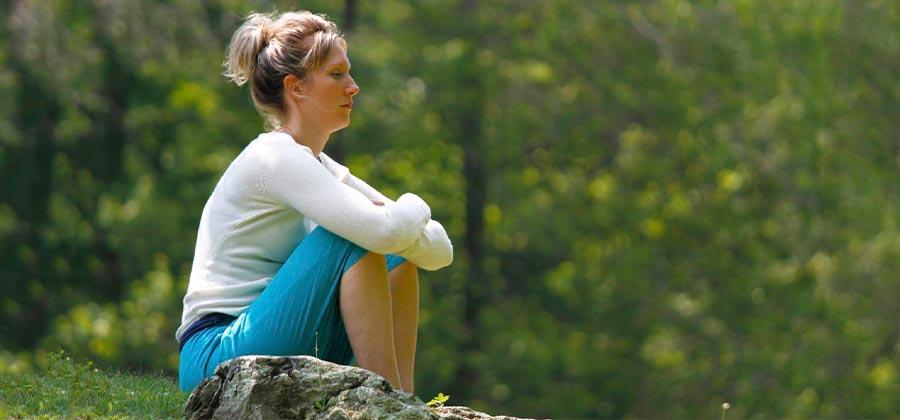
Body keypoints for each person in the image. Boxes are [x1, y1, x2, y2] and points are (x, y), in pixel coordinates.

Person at [175, 10, 452, 395]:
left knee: (397, 258)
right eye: (337, 74)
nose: (353, 87)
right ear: (297, 87)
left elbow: (440, 251)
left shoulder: (321, 168)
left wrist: (397, 228)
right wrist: (414, 204)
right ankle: (389, 406)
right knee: (355, 238)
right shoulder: (273, 157)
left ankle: (401, 399)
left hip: (278, 334)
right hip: (214, 353)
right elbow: (384, 229)